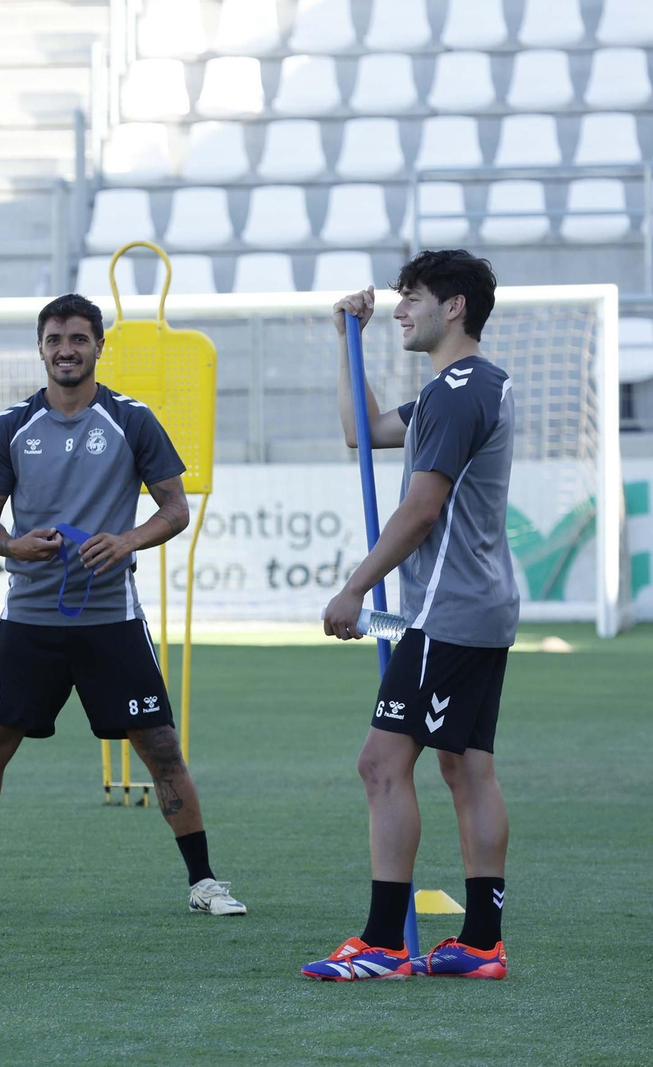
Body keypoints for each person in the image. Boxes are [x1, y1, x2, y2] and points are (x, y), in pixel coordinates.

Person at [0, 294, 247, 919]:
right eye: (55, 338)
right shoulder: (12, 426)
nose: (66, 349)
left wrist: (128, 541)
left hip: (110, 618)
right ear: (40, 347)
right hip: (29, 618)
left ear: (98, 347)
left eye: (79, 339)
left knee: (161, 747)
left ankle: (205, 883)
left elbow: (174, 508)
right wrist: (13, 545)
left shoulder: (132, 420)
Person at [302, 250, 515, 981]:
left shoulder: (458, 392)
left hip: (446, 609)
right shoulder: (458, 389)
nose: (399, 310)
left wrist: (354, 587)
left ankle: (384, 943)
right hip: (476, 605)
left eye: (411, 298)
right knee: (465, 765)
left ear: (453, 307)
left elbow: (421, 509)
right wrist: (346, 339)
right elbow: (362, 430)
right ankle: (481, 942)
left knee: (382, 762)